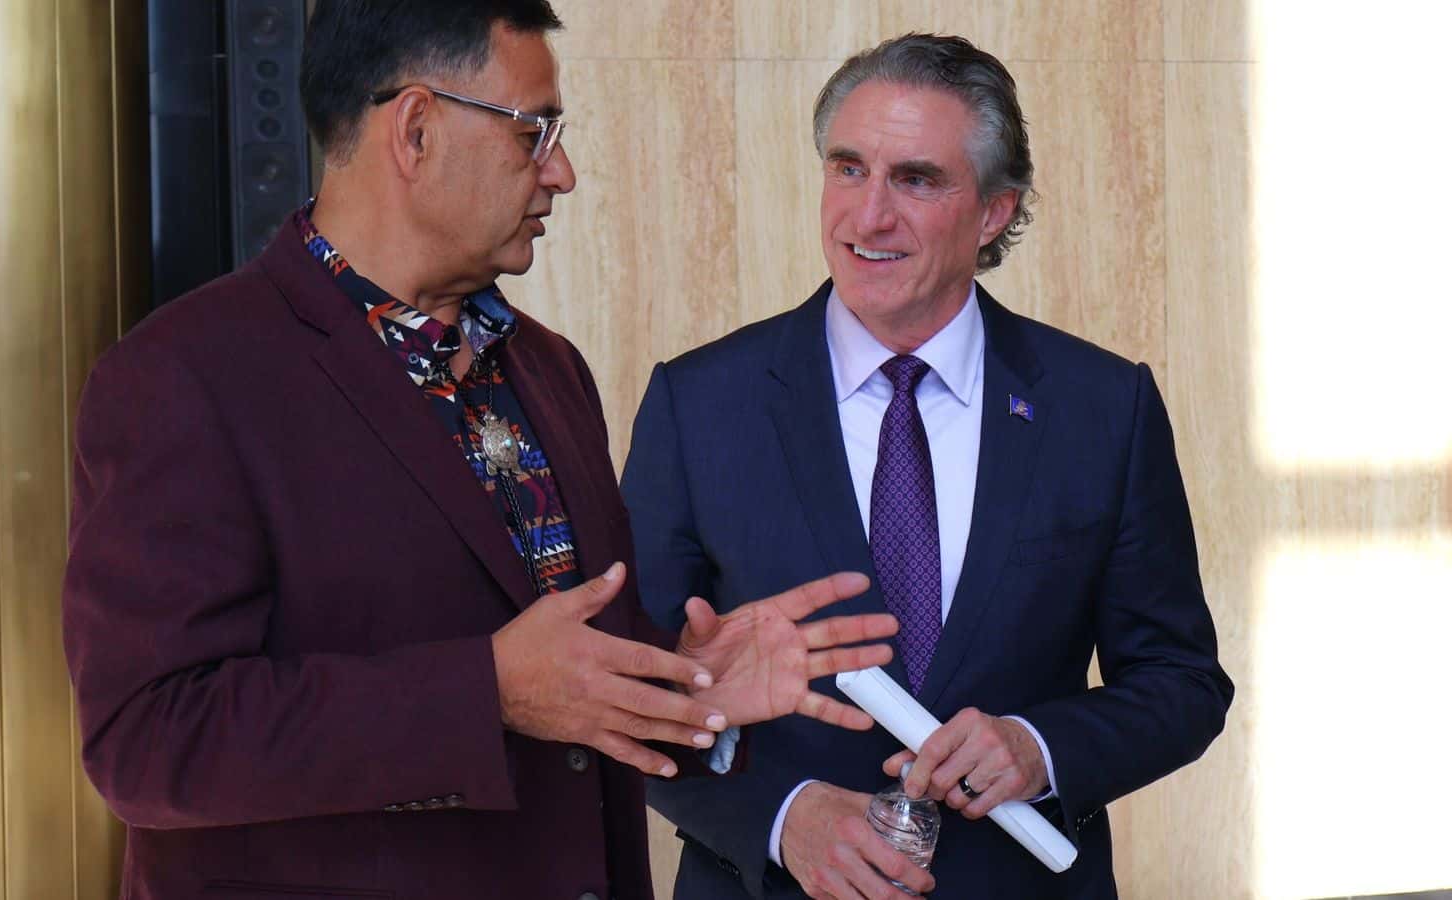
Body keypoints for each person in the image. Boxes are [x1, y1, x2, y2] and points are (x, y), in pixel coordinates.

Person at [61, 2, 900, 898]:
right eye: (534, 134)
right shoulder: (185, 377)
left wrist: (684, 687)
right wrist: (485, 693)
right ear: (415, 130)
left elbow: (566, 684)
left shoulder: (547, 367)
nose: (562, 174)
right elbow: (147, 741)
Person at [621, 33, 1234, 900]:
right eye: (848, 169)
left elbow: (1182, 683)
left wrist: (1040, 748)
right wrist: (782, 817)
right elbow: (623, 693)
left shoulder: (1102, 405)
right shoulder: (698, 402)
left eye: (915, 179)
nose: (868, 216)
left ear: (993, 212)